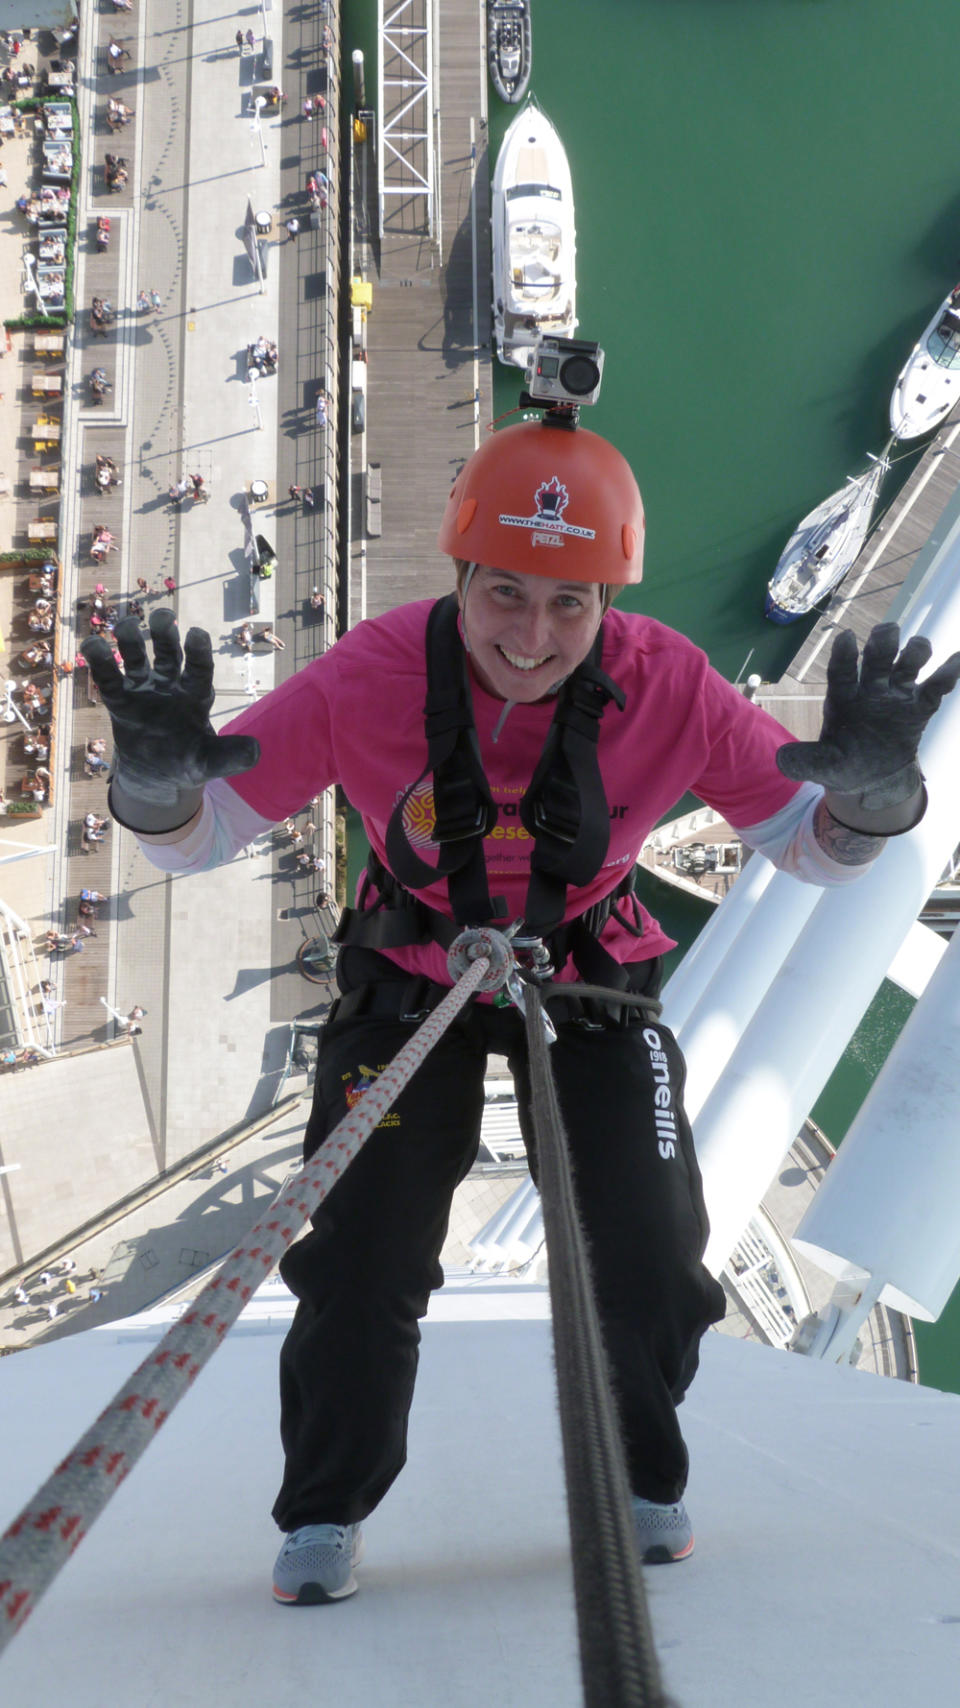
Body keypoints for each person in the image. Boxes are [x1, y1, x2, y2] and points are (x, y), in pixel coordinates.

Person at [80, 416, 960, 1605]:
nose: (531, 637)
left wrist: (869, 804)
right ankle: (325, 1510)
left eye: (568, 604)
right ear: (459, 584)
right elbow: (208, 831)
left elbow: (807, 849)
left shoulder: (669, 685)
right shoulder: (371, 674)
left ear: (608, 606)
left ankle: (645, 1478)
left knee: (646, 1249)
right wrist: (151, 785)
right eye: (505, 594)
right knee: (364, 1256)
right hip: (413, 969)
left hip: (585, 967)